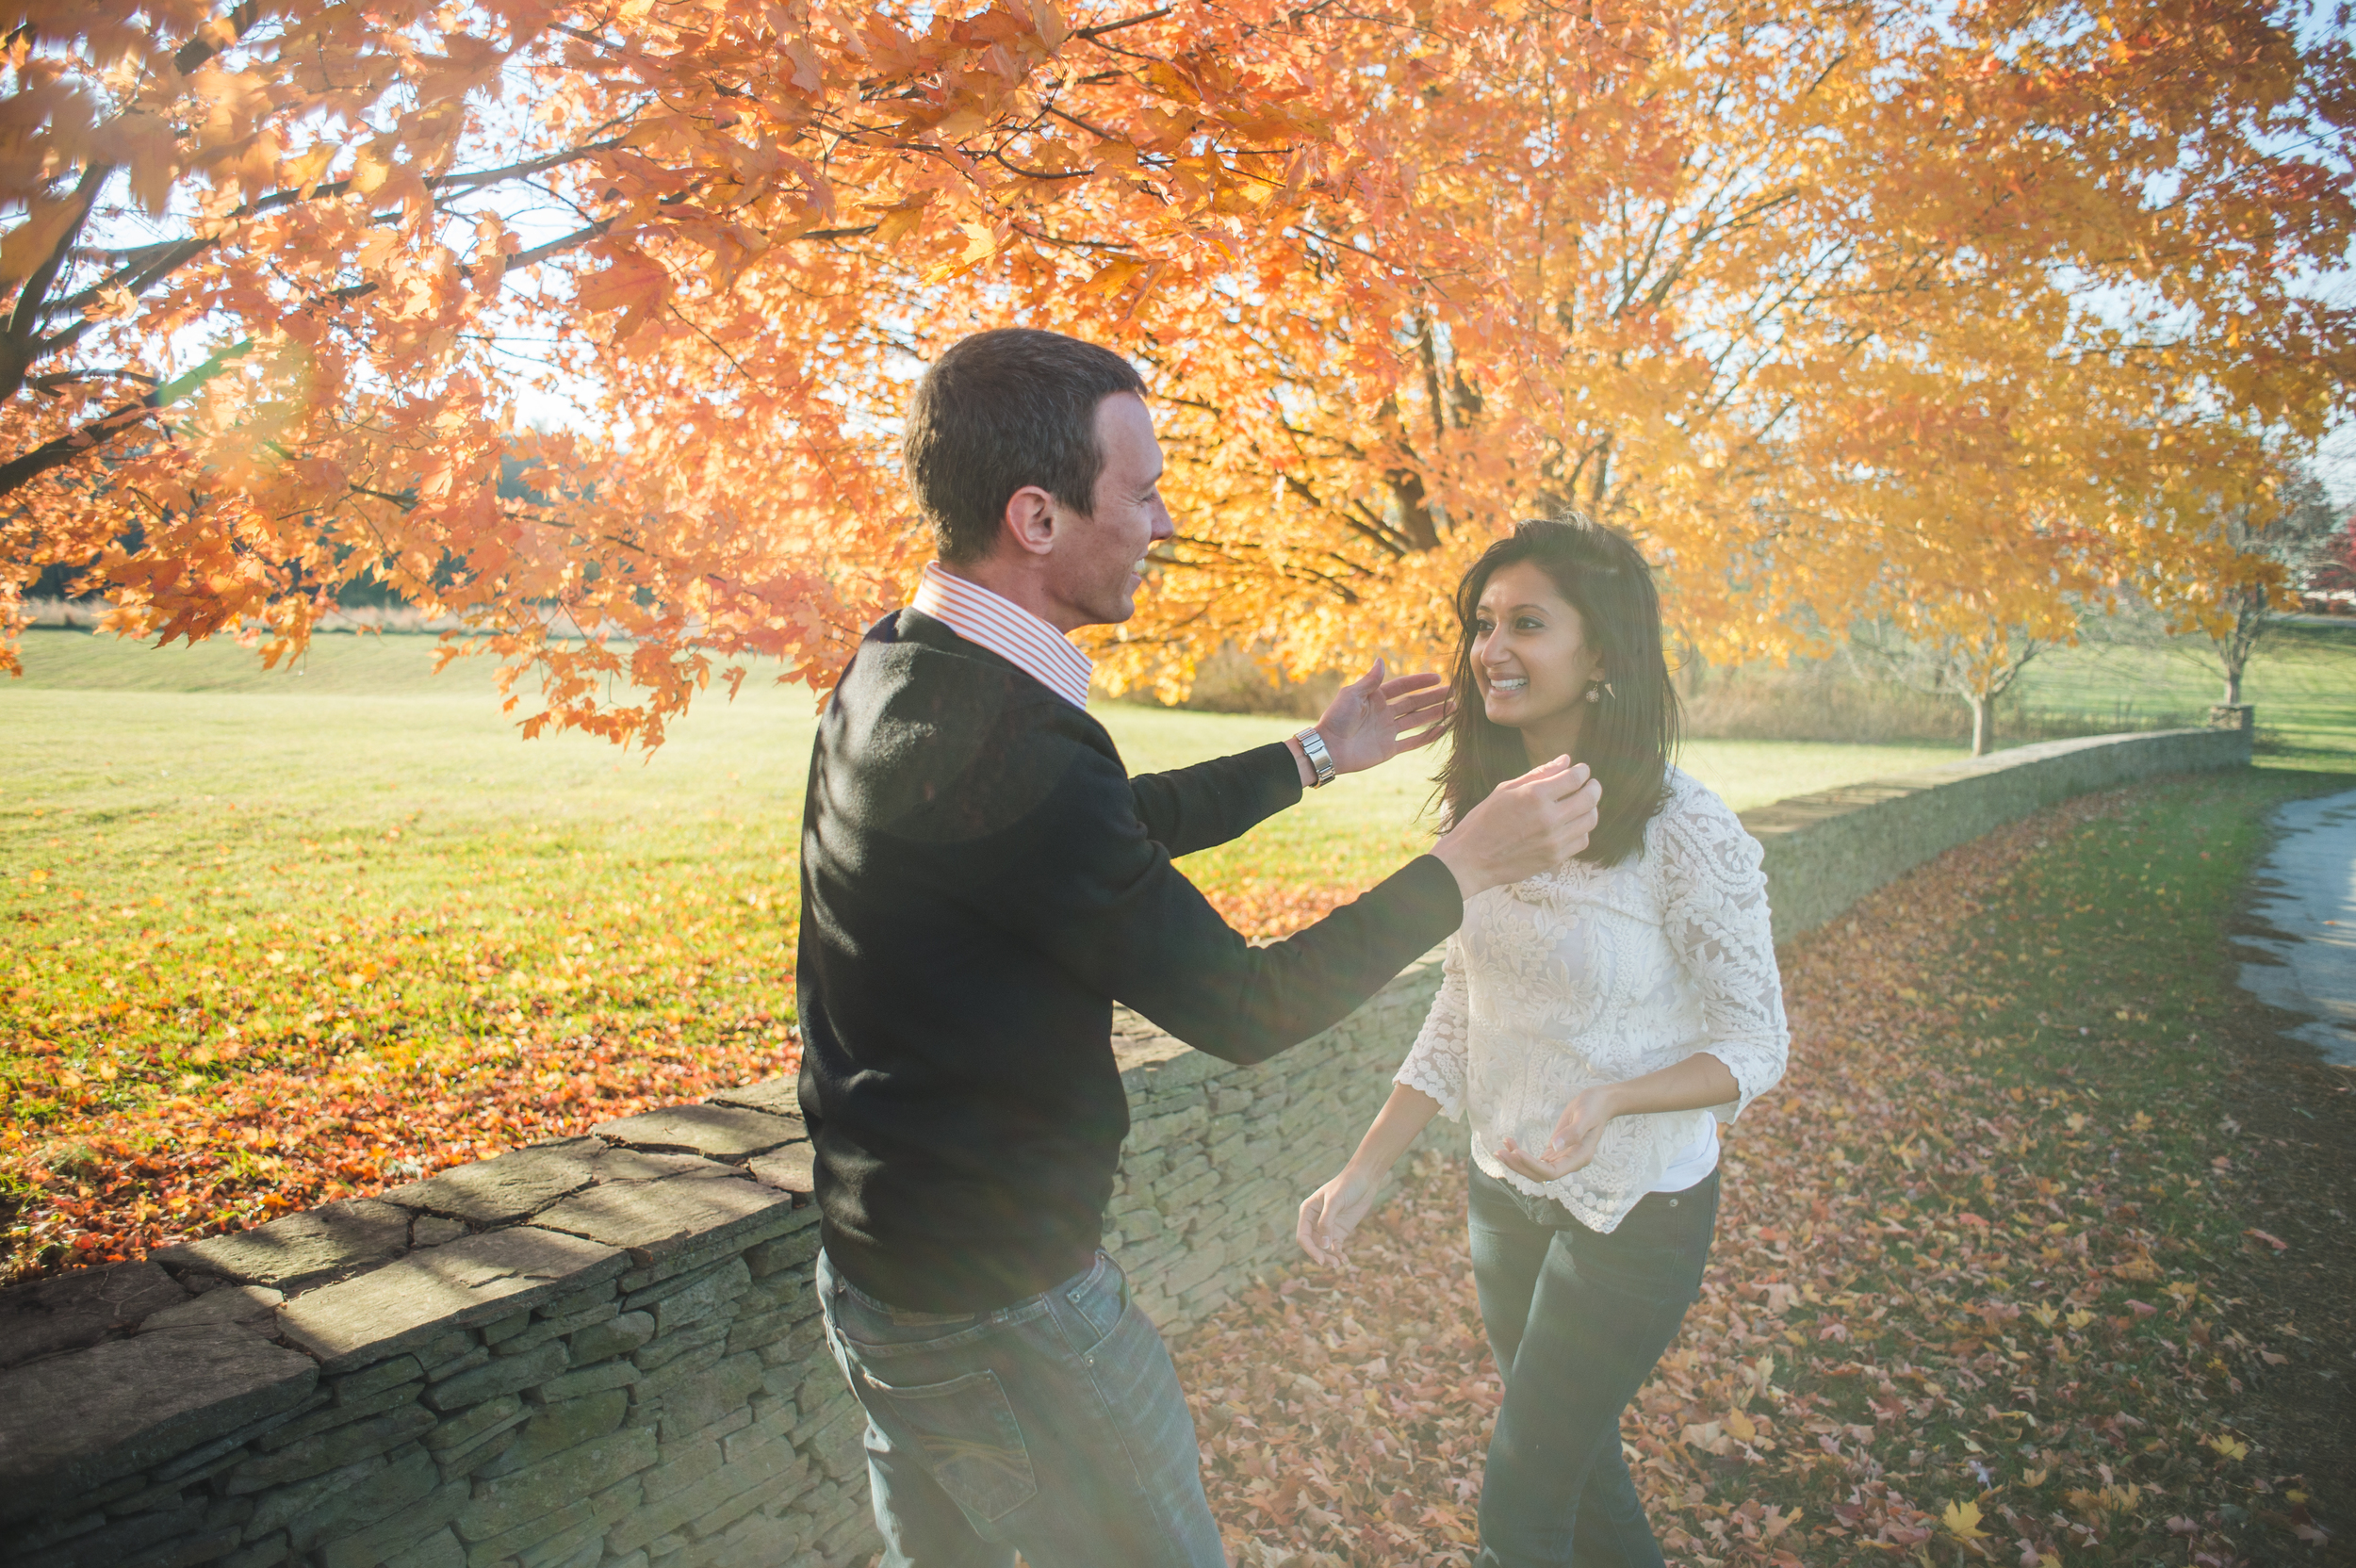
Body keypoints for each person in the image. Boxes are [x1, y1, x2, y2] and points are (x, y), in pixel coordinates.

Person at [796, 328, 1605, 1568]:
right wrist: (1464, 868)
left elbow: (1095, 831)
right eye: (1143, 492)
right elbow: (1248, 1006)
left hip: (882, 1281)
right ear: (1038, 518)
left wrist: (1317, 754)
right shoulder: (1015, 750)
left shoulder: (898, 668)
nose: (1165, 522)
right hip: (1008, 1312)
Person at [1297, 516, 1791, 1568]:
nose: (1492, 648)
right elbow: (1460, 1001)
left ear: (1601, 653)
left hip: (1633, 1212)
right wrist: (1364, 1167)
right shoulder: (1489, 814)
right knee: (1580, 1476)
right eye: (1482, 622)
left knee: (1519, 1509)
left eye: (1528, 621)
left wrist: (1612, 1099)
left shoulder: (1682, 830)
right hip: (1501, 1199)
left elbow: (1756, 1042)